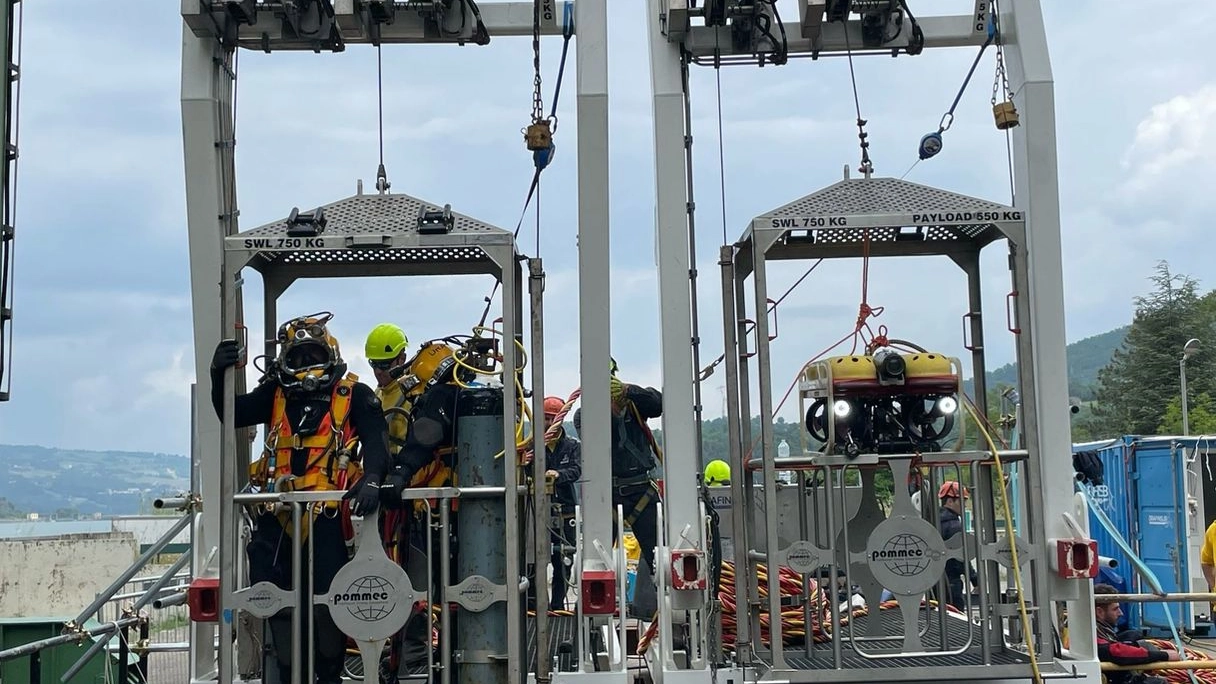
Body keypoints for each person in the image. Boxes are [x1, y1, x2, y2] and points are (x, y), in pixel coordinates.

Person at [211, 313, 389, 684]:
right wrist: (218, 374)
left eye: (313, 356)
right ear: (284, 362)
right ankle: (290, 671)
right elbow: (233, 413)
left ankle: (329, 675)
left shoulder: (354, 393)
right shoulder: (275, 395)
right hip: (278, 515)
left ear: (330, 353)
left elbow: (376, 440)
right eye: (299, 358)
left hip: (325, 517)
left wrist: (372, 478)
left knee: (329, 601)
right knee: (275, 599)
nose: (307, 367)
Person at [575, 359, 664, 581]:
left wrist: (629, 391)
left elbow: (658, 404)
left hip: (641, 490)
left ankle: (663, 608)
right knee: (595, 563)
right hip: (607, 496)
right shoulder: (585, 415)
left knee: (660, 557)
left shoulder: (636, 407)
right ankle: (589, 613)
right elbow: (594, 440)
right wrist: (605, 408)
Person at [539, 395, 582, 611]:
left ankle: (556, 606)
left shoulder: (572, 446)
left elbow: (577, 469)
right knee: (533, 561)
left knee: (563, 561)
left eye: (551, 418)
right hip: (536, 513)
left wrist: (558, 474)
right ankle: (535, 605)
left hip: (565, 512)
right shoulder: (532, 447)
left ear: (560, 419)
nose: (548, 423)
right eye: (545, 418)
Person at [1094, 583, 1180, 684]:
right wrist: (1164, 655)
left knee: (1132, 636)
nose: (1121, 613)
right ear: (1099, 612)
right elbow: (1115, 652)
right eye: (1115, 609)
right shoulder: (1090, 636)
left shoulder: (1094, 628)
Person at [937, 480, 977, 611]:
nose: (964, 505)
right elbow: (961, 556)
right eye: (962, 501)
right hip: (951, 582)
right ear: (950, 501)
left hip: (933, 581)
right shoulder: (954, 525)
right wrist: (974, 579)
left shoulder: (932, 521)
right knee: (956, 613)